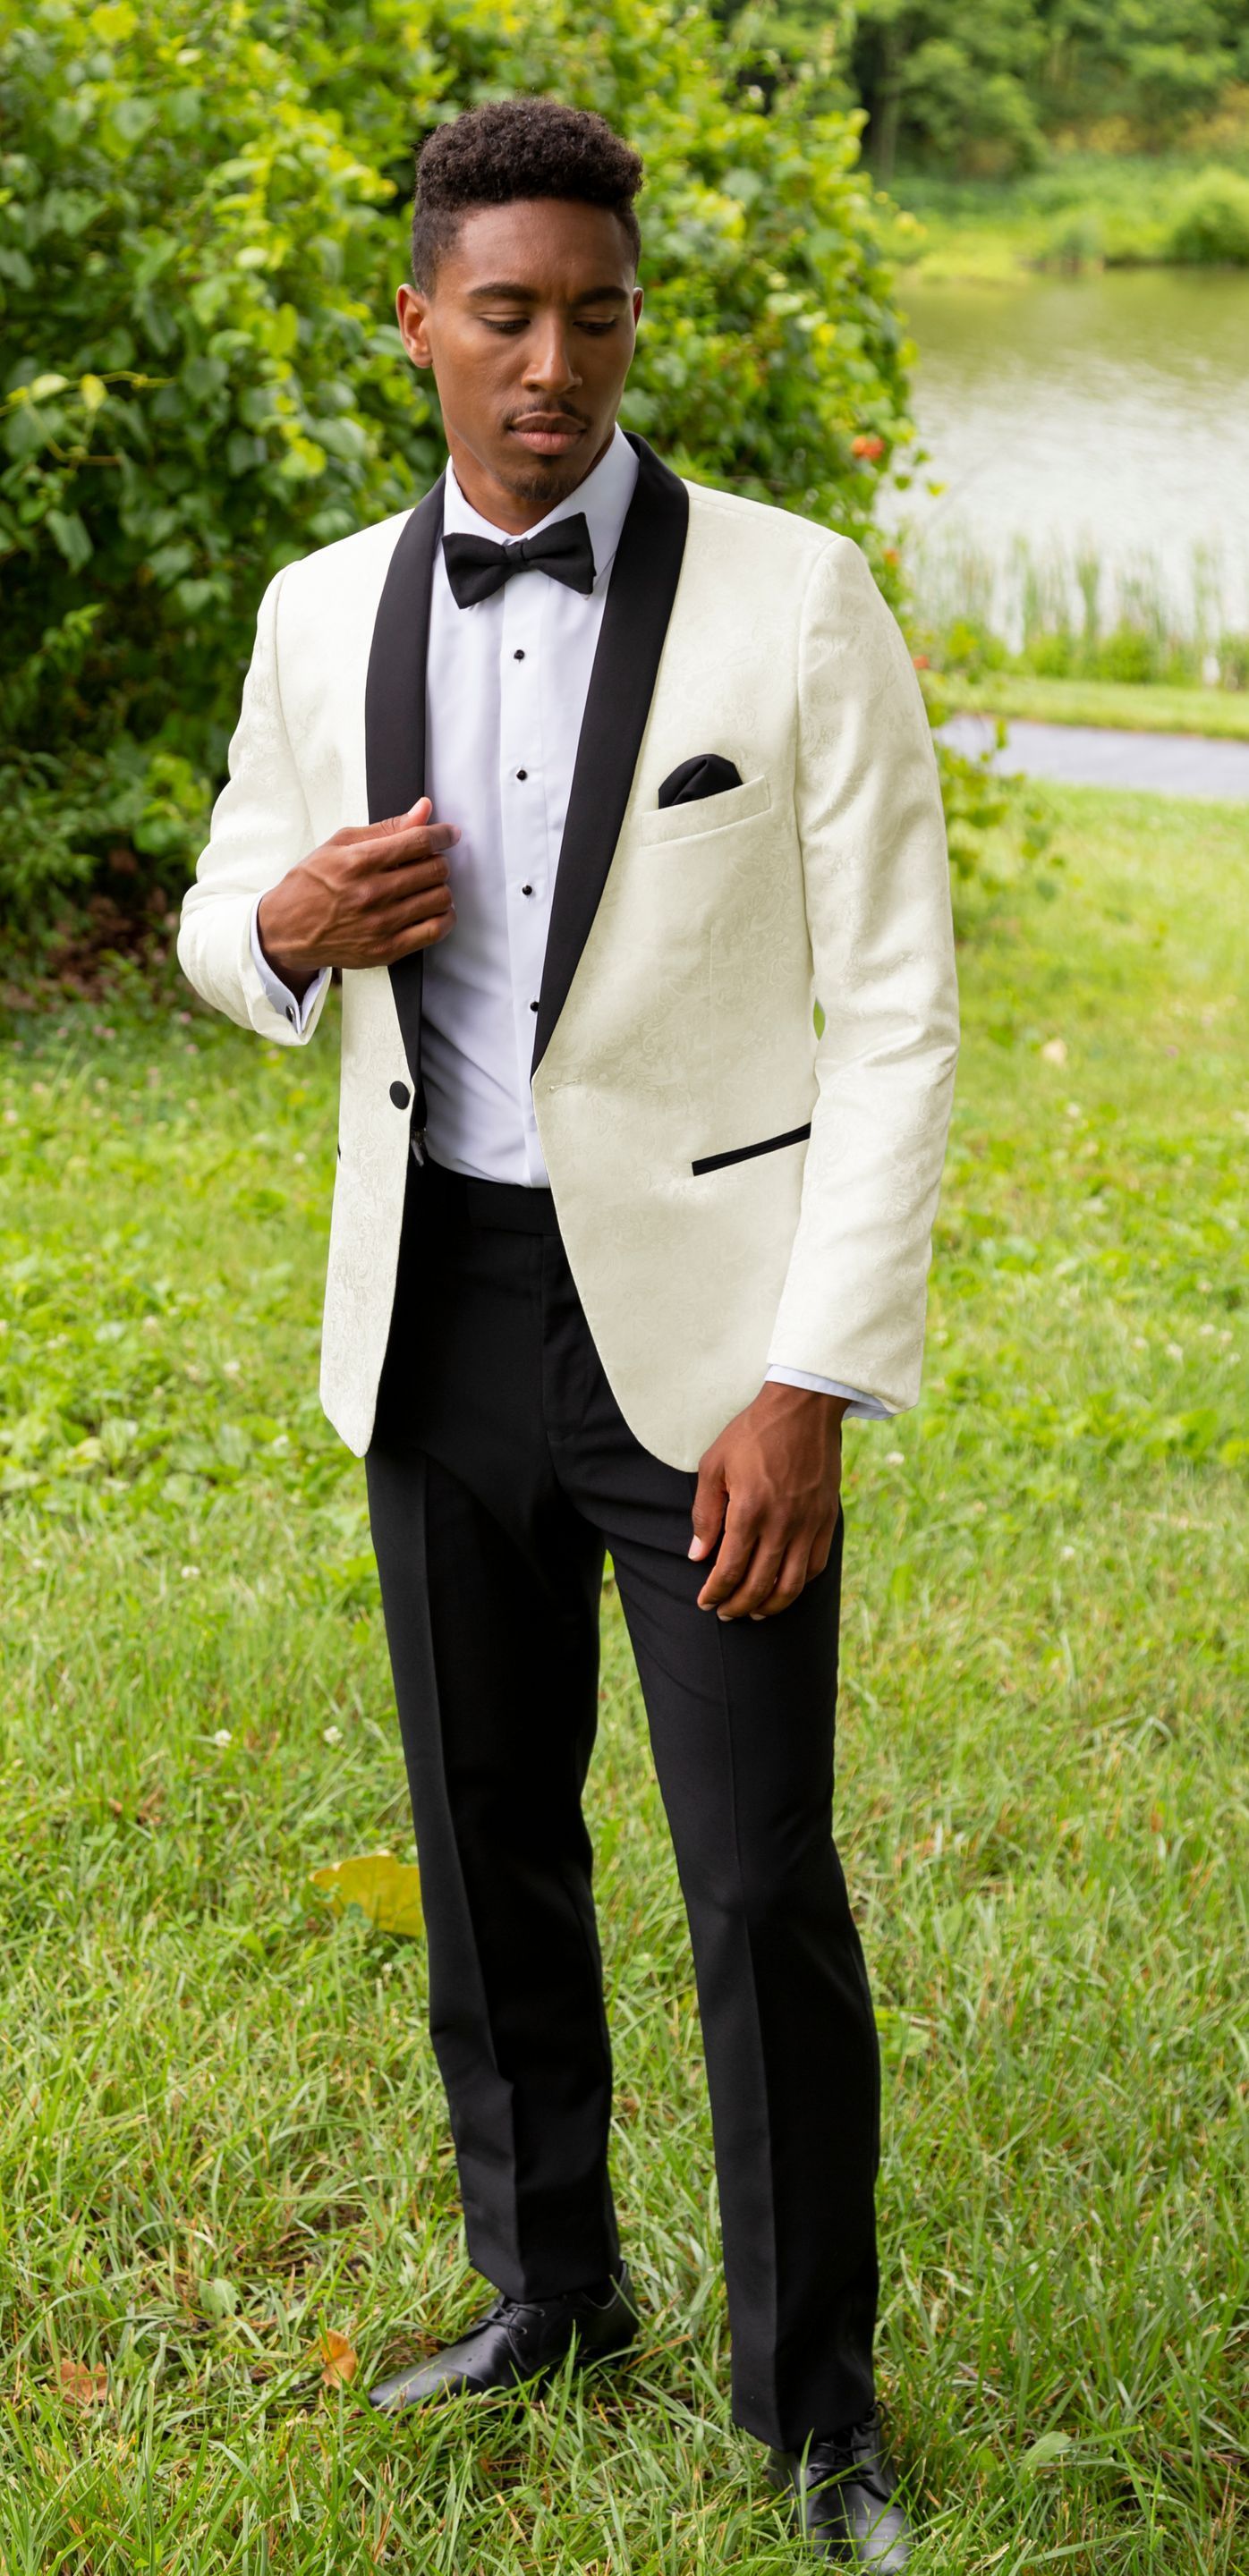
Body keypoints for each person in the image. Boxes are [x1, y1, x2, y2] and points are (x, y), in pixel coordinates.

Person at [178, 96, 957, 2569]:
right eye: (500, 317)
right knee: (486, 1839)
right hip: (437, 1314)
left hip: (712, 1344)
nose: (550, 367)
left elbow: (898, 1015)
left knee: (752, 1881)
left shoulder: (795, 598)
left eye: (592, 317)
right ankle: (548, 2292)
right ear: (414, 321)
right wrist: (293, 920)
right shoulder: (320, 612)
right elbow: (223, 914)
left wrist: (807, 1384)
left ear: (633, 319)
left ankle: (811, 2412)